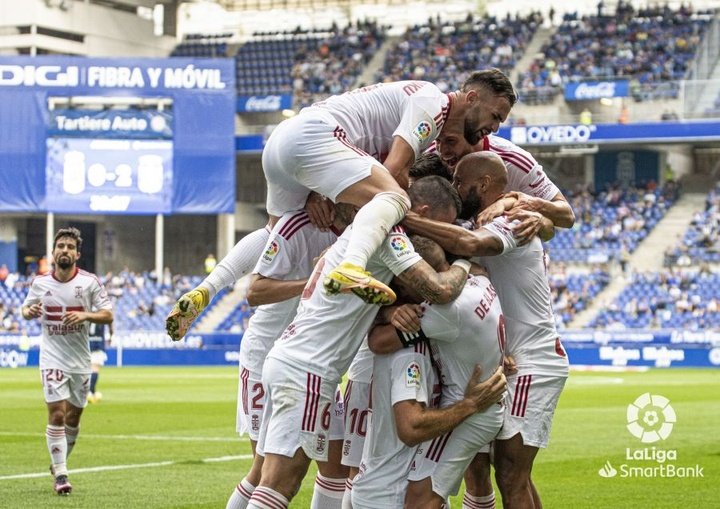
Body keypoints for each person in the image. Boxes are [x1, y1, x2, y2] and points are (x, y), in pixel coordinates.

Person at [166, 70, 516, 340]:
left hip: (286, 142)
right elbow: (392, 171)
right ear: (471, 98)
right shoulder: (433, 103)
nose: (495, 127)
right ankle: (351, 266)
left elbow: (364, 162)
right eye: (495, 116)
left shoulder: (418, 102)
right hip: (316, 138)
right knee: (392, 198)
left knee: (274, 232)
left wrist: (326, 189)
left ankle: (206, 289)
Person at [246, 176, 474, 509]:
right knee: (281, 482)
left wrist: (389, 313)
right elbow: (437, 289)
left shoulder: (358, 235)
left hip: (291, 360)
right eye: (444, 225)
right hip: (308, 370)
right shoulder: (389, 237)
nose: (445, 235)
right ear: (422, 212)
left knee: (275, 477)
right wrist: (467, 263)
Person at [404, 152, 570, 509]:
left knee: (511, 473)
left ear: (482, 185)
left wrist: (404, 218)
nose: (456, 188)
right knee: (504, 471)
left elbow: (469, 246)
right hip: (508, 358)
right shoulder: (479, 220)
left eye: (461, 182)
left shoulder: (511, 219)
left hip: (532, 359)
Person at [352, 237, 506, 509]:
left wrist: (389, 314)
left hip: (474, 410)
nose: (397, 288)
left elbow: (378, 342)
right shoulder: (479, 280)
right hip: (478, 405)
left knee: (422, 498)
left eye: (402, 283)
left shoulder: (440, 314)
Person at [227, 204, 355, 509]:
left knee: (336, 469)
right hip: (268, 356)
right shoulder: (296, 225)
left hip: (316, 360)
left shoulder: (358, 231)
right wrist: (315, 282)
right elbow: (255, 291)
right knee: (265, 473)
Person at [21, 227, 113, 496]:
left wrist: (85, 316)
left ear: (77, 254)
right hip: (52, 357)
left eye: (69, 247)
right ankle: (61, 474)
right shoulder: (40, 283)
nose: (64, 250)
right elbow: (26, 310)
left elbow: (107, 315)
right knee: (57, 414)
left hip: (79, 360)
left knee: (74, 417)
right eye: (60, 245)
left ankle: (58, 461)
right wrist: (31, 310)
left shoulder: (90, 282)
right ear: (53, 252)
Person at [87, 321, 113, 404]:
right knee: (95, 368)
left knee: (86, 370)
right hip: (98, 343)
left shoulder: (86, 312)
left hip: (86, 343)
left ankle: (91, 392)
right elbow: (110, 322)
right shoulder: (102, 312)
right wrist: (111, 335)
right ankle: (89, 392)